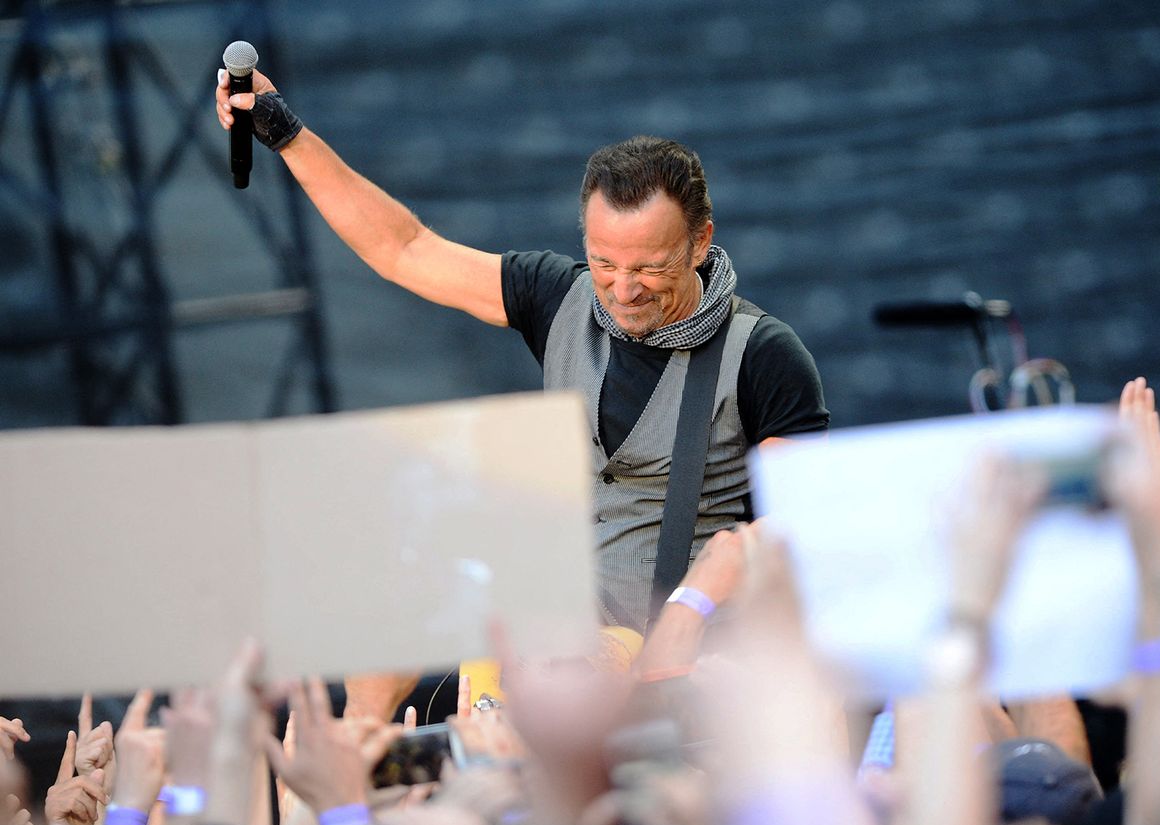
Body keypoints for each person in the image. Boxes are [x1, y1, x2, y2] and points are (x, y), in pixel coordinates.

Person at [214, 69, 828, 632]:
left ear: (700, 243)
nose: (623, 288)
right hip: (565, 646)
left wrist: (690, 620)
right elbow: (404, 250)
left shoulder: (763, 355)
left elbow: (799, 533)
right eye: (604, 261)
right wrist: (290, 137)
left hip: (697, 661)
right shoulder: (558, 296)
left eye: (650, 266)